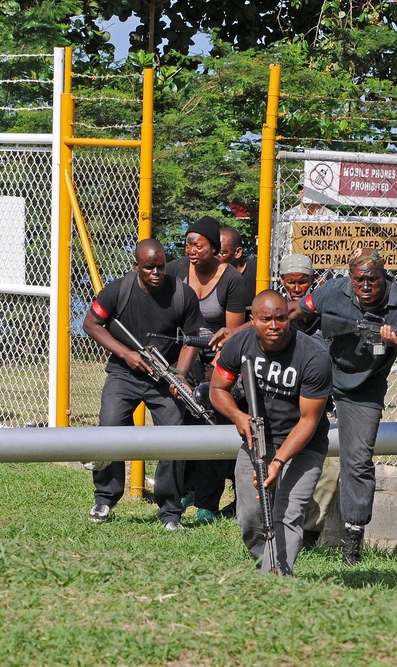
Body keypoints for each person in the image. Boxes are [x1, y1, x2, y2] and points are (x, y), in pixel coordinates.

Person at [297, 248, 397, 565]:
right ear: (350, 277)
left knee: (357, 460)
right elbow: (300, 312)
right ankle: (295, 529)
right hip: (320, 371)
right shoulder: (331, 292)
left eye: (373, 279)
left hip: (363, 386)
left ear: (384, 276)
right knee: (296, 441)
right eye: (359, 279)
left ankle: (352, 541)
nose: (367, 286)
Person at [82, 238, 206, 530]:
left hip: (164, 377)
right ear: (136, 265)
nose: (156, 272)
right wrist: (126, 354)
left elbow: (192, 339)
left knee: (172, 439)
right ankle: (105, 498)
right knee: (110, 429)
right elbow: (91, 324)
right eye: (149, 267)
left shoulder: (181, 294)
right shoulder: (118, 290)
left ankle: (170, 511)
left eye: (160, 266)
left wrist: (179, 374)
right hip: (124, 374)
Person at [209, 290, 332, 575]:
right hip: (257, 437)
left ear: (289, 317)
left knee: (287, 513)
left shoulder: (314, 357)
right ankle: (266, 565)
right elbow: (217, 390)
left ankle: (276, 578)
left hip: (303, 445)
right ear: (253, 320)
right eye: (266, 319)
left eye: (280, 318)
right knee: (251, 515)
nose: (274, 326)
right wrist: (238, 416)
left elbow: (308, 420)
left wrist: (277, 463)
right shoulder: (239, 344)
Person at [167, 216, 249, 523]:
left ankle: (207, 502)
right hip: (181, 354)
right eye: (188, 242)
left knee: (211, 420)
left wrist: (215, 371)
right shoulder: (176, 269)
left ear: (214, 249)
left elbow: (232, 333)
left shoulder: (232, 280)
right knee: (180, 418)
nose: (191, 249)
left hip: (217, 356)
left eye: (198, 244)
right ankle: (183, 489)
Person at [276, 254, 338, 549]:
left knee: (325, 472)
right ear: (282, 283)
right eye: (291, 282)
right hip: (282, 405)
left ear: (313, 281)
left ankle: (309, 534)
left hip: (317, 404)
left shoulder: (327, 313)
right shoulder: (276, 316)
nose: (298, 288)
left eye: (303, 281)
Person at [217, 226, 257, 299]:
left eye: (221, 253)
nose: (216, 258)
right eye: (213, 253)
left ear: (238, 252)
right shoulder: (209, 275)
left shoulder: (257, 273)